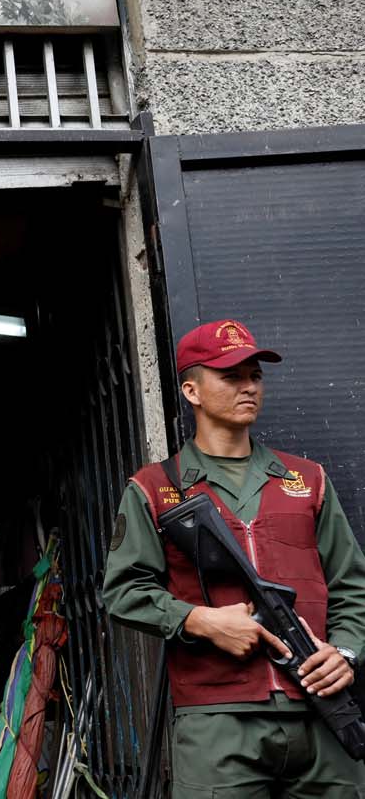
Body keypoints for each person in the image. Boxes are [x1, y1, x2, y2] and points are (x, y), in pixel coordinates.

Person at [103, 319, 365, 797]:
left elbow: (352, 586)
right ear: (192, 391)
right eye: (230, 376)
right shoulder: (155, 488)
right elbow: (123, 592)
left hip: (324, 710)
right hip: (217, 721)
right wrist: (202, 621)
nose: (249, 387)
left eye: (255, 376)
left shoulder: (306, 479)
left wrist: (345, 652)